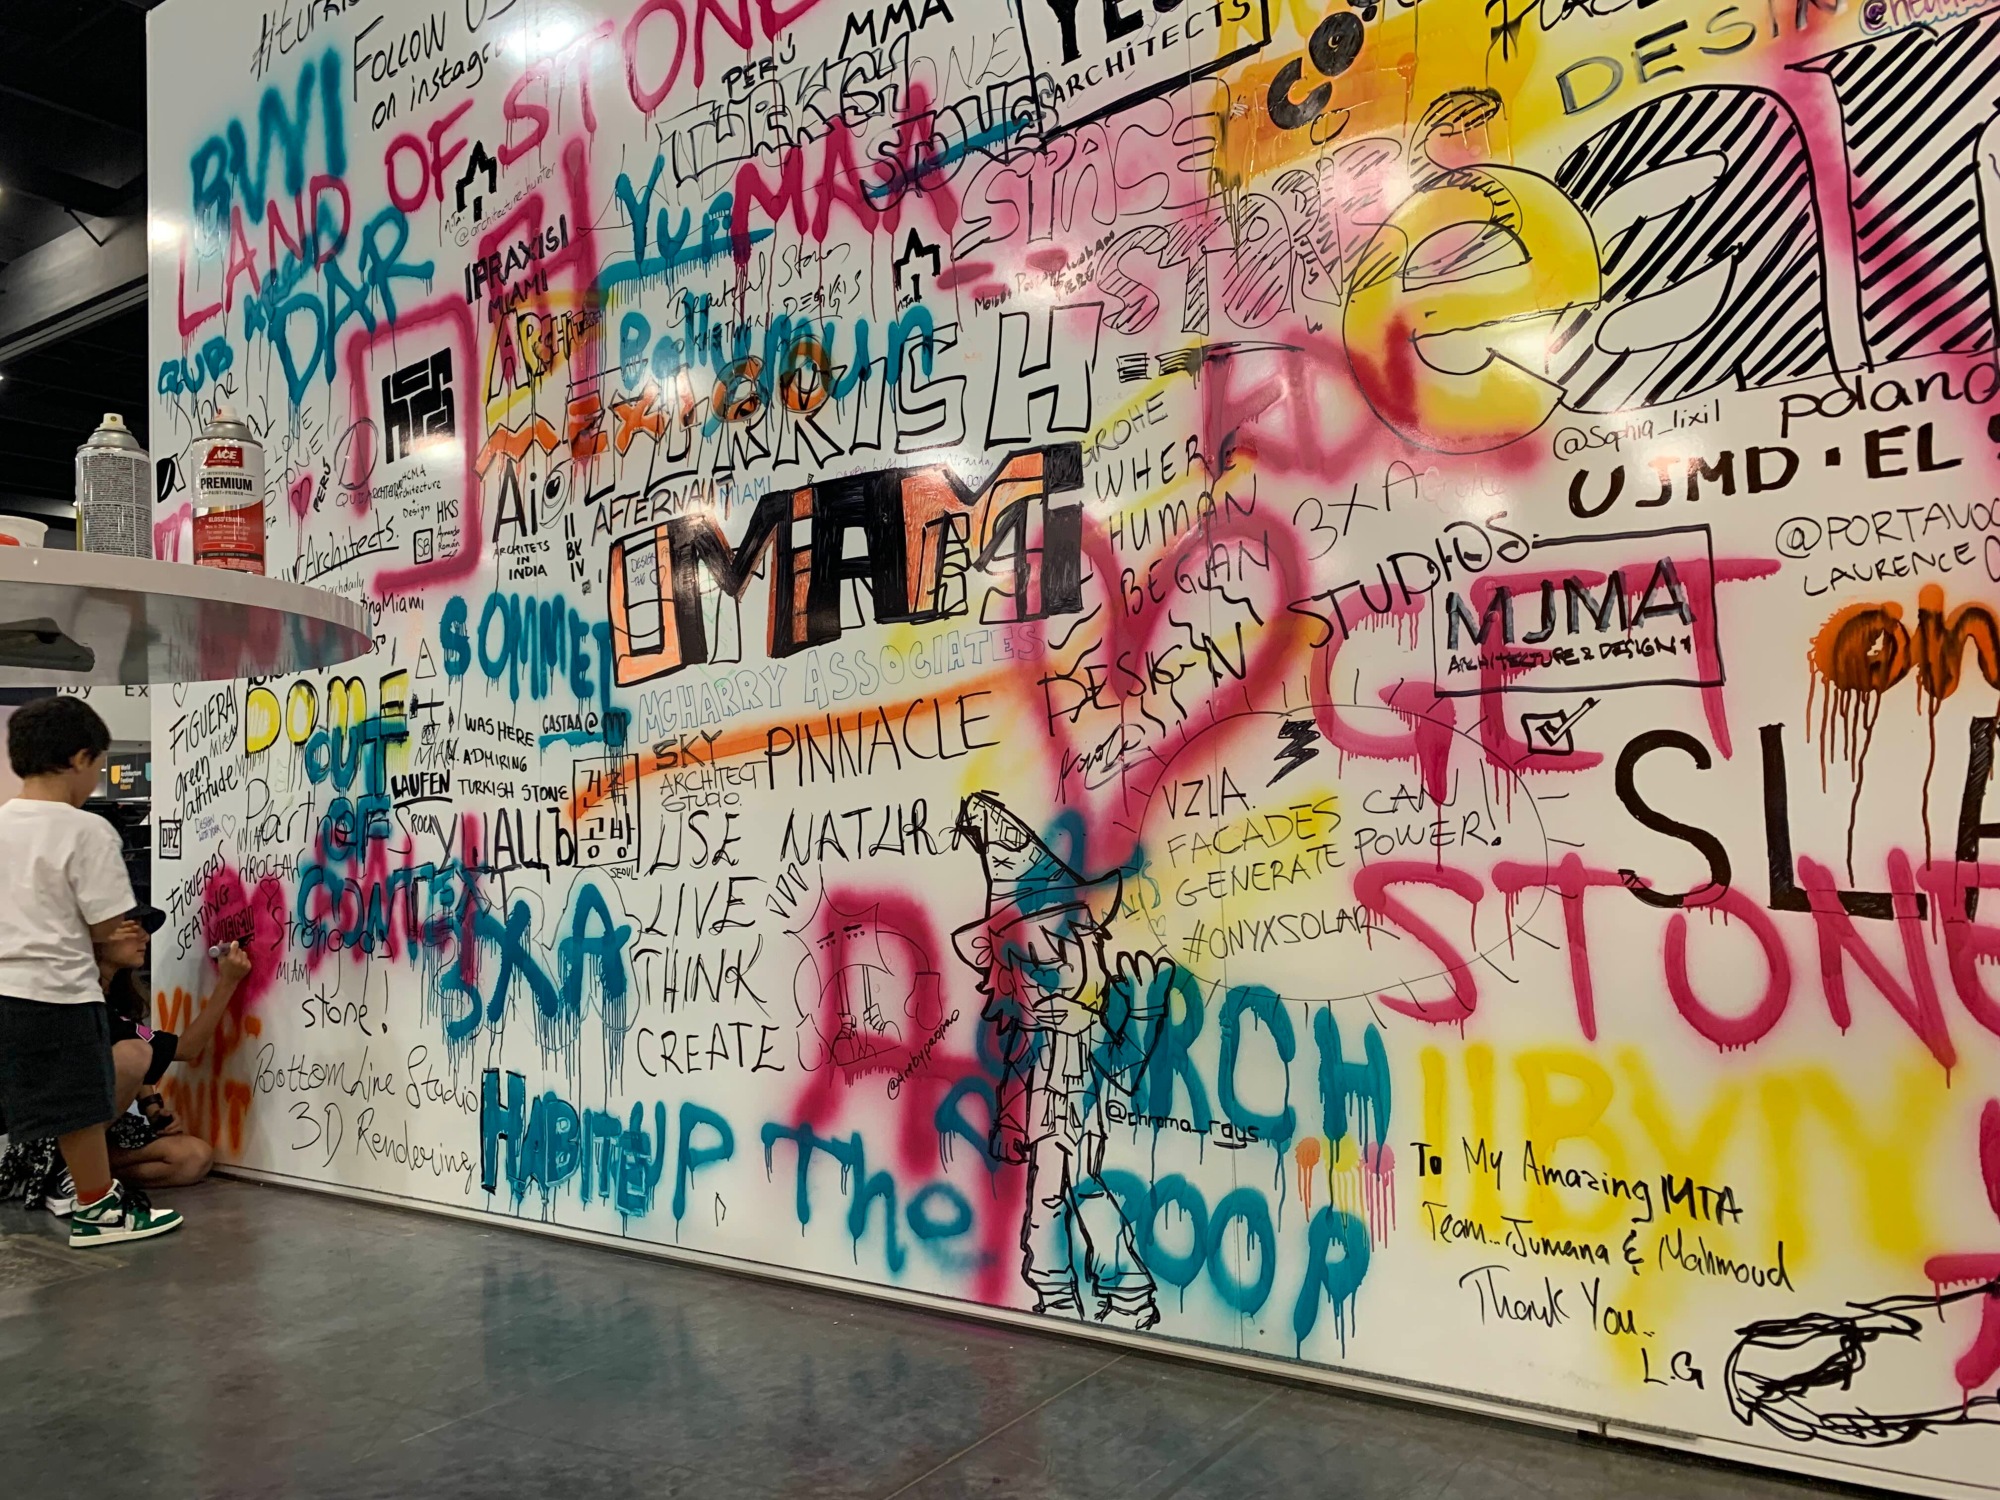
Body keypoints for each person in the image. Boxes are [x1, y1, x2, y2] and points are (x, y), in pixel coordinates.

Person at [0, 696, 182, 1247]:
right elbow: (108, 923)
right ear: (80, 758)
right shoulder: (86, 830)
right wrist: (109, 932)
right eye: (99, 766)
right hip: (58, 991)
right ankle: (98, 1207)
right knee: (81, 1107)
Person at [98, 911, 247, 1188]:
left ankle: (81, 1175)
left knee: (194, 1158)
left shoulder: (113, 998)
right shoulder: (78, 1002)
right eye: (133, 928)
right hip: (55, 1136)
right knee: (133, 1053)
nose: (145, 937)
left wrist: (153, 1109)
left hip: (97, 1131)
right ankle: (70, 1170)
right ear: (97, 936)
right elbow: (186, 1049)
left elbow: (138, 1052)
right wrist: (228, 982)